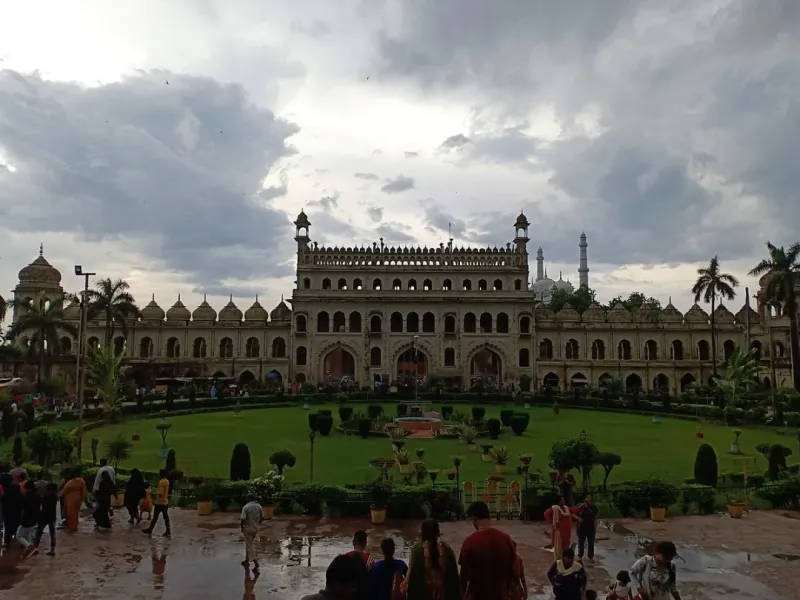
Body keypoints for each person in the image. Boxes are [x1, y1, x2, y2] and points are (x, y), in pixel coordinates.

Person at [459, 501, 516, 600]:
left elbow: (464, 576)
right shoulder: (506, 538)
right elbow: (513, 570)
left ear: (474, 519)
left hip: (478, 595)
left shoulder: (470, 542)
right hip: (501, 595)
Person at [404, 518, 460, 600]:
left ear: (422, 534)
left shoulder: (417, 551)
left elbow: (413, 582)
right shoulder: (447, 550)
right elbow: (454, 581)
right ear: (438, 533)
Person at [544, 496, 580, 561]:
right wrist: (553, 523)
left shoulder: (566, 508)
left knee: (566, 547)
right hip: (559, 532)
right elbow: (546, 514)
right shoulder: (554, 508)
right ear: (559, 501)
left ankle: (565, 560)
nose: (564, 501)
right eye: (562, 500)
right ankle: (559, 562)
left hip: (567, 532)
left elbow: (574, 511)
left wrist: (581, 506)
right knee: (559, 548)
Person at [344, 530, 372, 600]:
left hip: (346, 594)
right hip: (362, 595)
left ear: (353, 542)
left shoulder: (344, 557)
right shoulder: (369, 559)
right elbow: (372, 579)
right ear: (365, 543)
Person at [143, 469, 171, 537]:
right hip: (165, 502)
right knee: (166, 517)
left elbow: (160, 493)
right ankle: (168, 530)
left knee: (155, 517)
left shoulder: (161, 482)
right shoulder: (167, 481)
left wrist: (153, 493)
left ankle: (150, 529)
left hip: (159, 502)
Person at [0, 464, 23, 546]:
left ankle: (7, 540)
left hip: (6, 507)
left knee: (7, 523)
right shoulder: (16, 487)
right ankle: (14, 535)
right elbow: (20, 498)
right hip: (15, 508)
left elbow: (2, 497)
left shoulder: (4, 488)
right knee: (14, 521)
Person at [17, 480, 40, 558]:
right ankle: (28, 551)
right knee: (28, 536)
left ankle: (31, 548)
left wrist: (21, 518)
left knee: (19, 536)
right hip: (34, 518)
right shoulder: (37, 496)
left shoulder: (26, 496)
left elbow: (23, 509)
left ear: (27, 488)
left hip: (26, 518)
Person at [34, 481, 58, 555]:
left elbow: (41, 506)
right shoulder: (55, 497)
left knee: (39, 532)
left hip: (43, 517)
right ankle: (53, 550)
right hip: (52, 517)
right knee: (52, 534)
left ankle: (35, 548)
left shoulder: (45, 497)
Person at [240, 494, 263, 571]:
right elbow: (262, 517)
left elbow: (243, 519)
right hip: (255, 528)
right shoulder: (259, 506)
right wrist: (257, 524)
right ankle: (246, 560)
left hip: (248, 528)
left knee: (249, 545)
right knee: (249, 544)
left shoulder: (246, 507)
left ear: (248, 499)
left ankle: (256, 563)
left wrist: (242, 527)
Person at [576, 494, 599, 563]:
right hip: (582, 527)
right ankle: (580, 556)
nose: (589, 498)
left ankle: (591, 556)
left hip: (590, 527)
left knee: (591, 542)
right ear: (584, 499)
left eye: (589, 497)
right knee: (581, 542)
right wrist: (578, 519)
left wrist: (595, 525)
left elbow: (596, 514)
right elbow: (575, 514)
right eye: (587, 497)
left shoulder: (593, 507)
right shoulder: (580, 507)